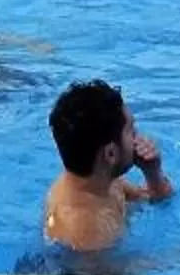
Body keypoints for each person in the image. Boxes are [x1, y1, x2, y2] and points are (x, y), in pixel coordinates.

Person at [42, 79, 173, 254]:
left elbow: (157, 199)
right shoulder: (84, 230)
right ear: (110, 154)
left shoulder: (104, 183)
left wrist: (152, 172)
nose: (137, 137)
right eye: (130, 130)